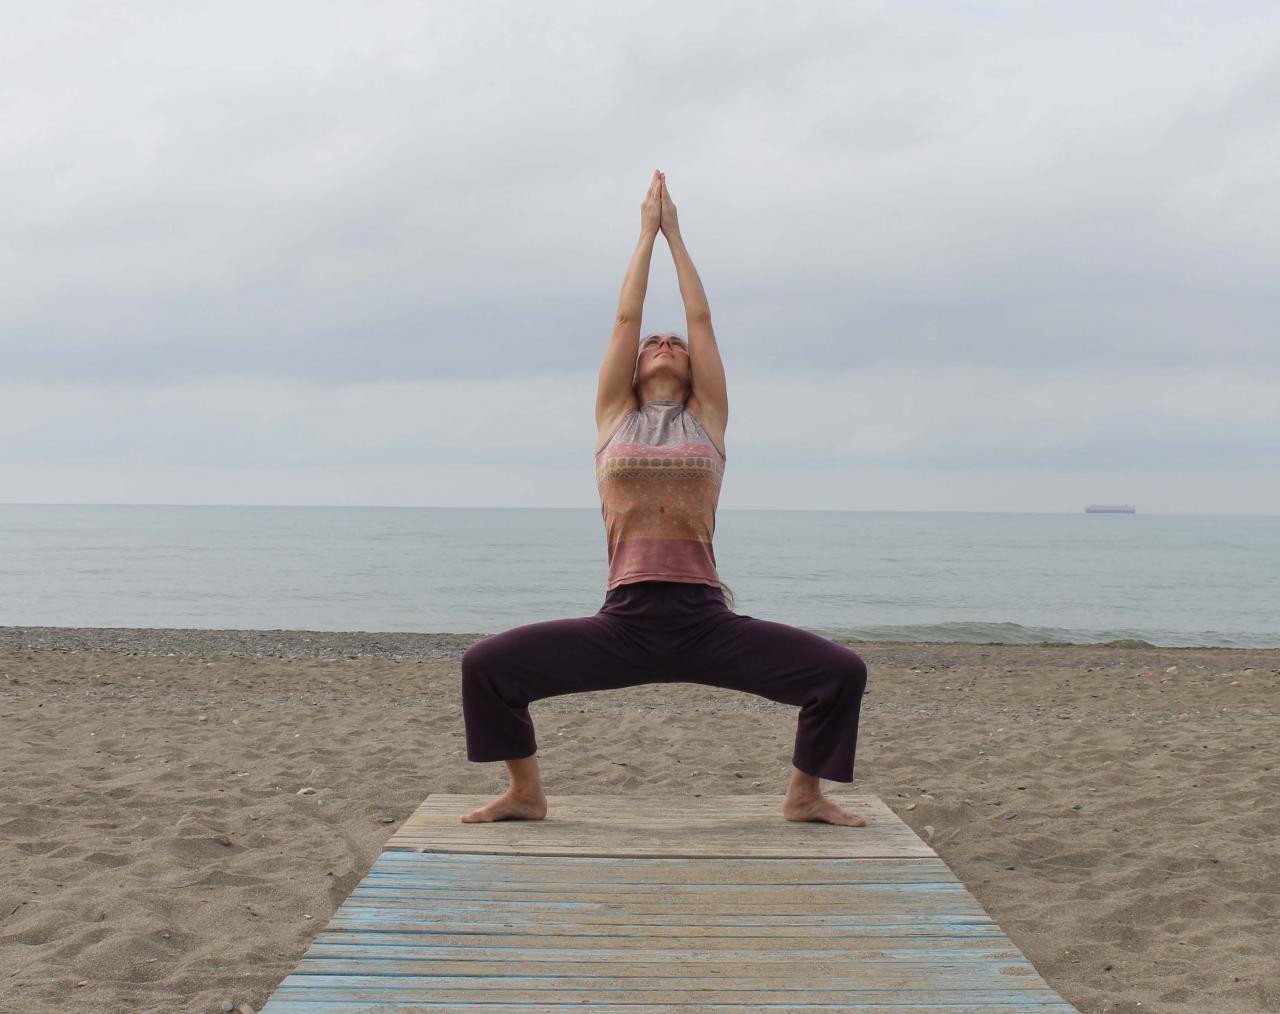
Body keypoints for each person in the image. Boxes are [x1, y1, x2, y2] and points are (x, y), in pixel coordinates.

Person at [459, 170, 869, 826]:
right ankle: (526, 793)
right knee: (486, 666)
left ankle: (805, 795)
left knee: (841, 673)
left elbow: (701, 316)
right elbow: (626, 315)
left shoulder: (708, 418)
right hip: (624, 619)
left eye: (674, 342)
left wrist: (676, 234)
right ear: (633, 365)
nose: (665, 343)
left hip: (704, 621)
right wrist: (643, 235)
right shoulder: (611, 418)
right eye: (654, 341)